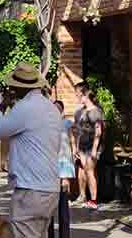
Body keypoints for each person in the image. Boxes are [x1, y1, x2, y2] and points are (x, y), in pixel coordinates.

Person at [0, 63, 63, 238]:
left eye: (12, 85)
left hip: (30, 189)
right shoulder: (51, 108)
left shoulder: (24, 108)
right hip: (50, 188)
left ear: (19, 87)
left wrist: (1, 107)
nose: (10, 88)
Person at [72, 84, 105, 210]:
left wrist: (94, 150)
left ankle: (94, 200)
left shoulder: (95, 111)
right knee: (85, 171)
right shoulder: (82, 111)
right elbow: (78, 130)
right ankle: (86, 198)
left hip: (92, 146)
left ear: (85, 95)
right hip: (83, 145)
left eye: (79, 95)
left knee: (90, 172)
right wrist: (76, 147)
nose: (77, 97)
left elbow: (98, 132)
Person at [49, 101, 75, 238]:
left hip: (63, 167)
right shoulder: (46, 124)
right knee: (50, 208)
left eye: (58, 109)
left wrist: (65, 176)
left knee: (63, 206)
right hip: (49, 169)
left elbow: (68, 147)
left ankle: (65, 235)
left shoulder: (66, 124)